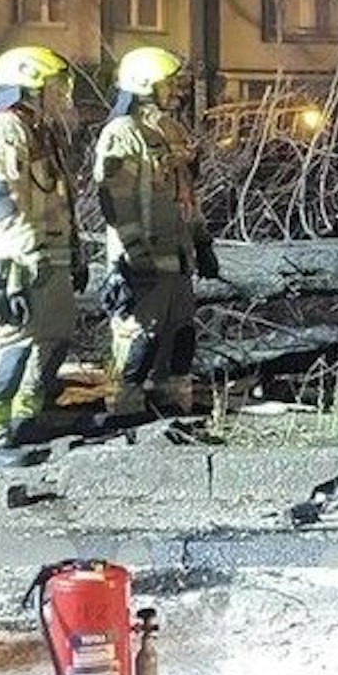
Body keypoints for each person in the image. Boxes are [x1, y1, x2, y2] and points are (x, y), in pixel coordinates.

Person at [0, 45, 84, 467]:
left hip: (48, 257)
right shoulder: (1, 129)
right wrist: (24, 250)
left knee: (54, 335)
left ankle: (24, 417)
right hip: (12, 263)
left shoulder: (36, 129)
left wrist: (75, 251)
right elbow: (0, 196)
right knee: (7, 345)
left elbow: (58, 198)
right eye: (54, 85)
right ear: (31, 83)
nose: (60, 94)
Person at [93, 46, 218, 419]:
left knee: (180, 335)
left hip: (176, 256)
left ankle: (171, 403)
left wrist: (201, 241)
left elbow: (184, 195)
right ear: (146, 85)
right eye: (169, 84)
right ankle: (123, 410)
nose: (176, 91)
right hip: (142, 257)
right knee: (138, 339)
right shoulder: (121, 134)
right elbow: (116, 202)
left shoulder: (167, 131)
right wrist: (131, 257)